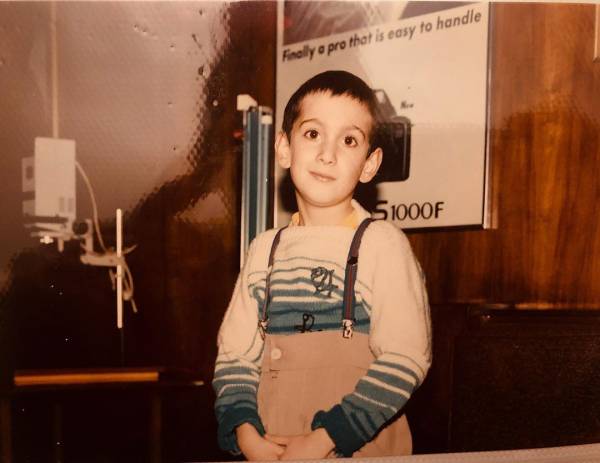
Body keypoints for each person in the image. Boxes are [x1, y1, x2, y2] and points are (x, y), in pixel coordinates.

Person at [213, 70, 432, 460]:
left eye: (349, 140)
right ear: (284, 148)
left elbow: (406, 358)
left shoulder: (382, 245)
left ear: (369, 164)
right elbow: (235, 357)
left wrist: (324, 439)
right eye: (313, 133)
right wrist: (246, 435)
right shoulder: (264, 251)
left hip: (356, 451)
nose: (327, 154)